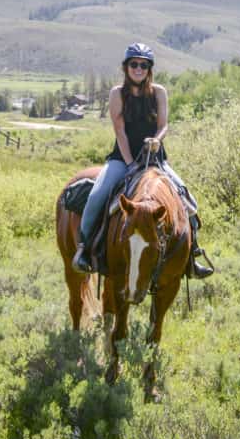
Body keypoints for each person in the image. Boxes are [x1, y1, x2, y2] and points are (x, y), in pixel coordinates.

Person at [71, 43, 214, 279]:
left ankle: (192, 254)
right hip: (123, 158)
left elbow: (164, 124)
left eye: (143, 65)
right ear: (126, 67)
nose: (138, 68)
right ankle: (84, 249)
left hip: (155, 159)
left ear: (149, 69)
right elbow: (120, 131)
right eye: (134, 64)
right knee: (98, 194)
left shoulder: (159, 92)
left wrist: (157, 140)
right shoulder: (117, 93)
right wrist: (129, 165)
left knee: (188, 201)